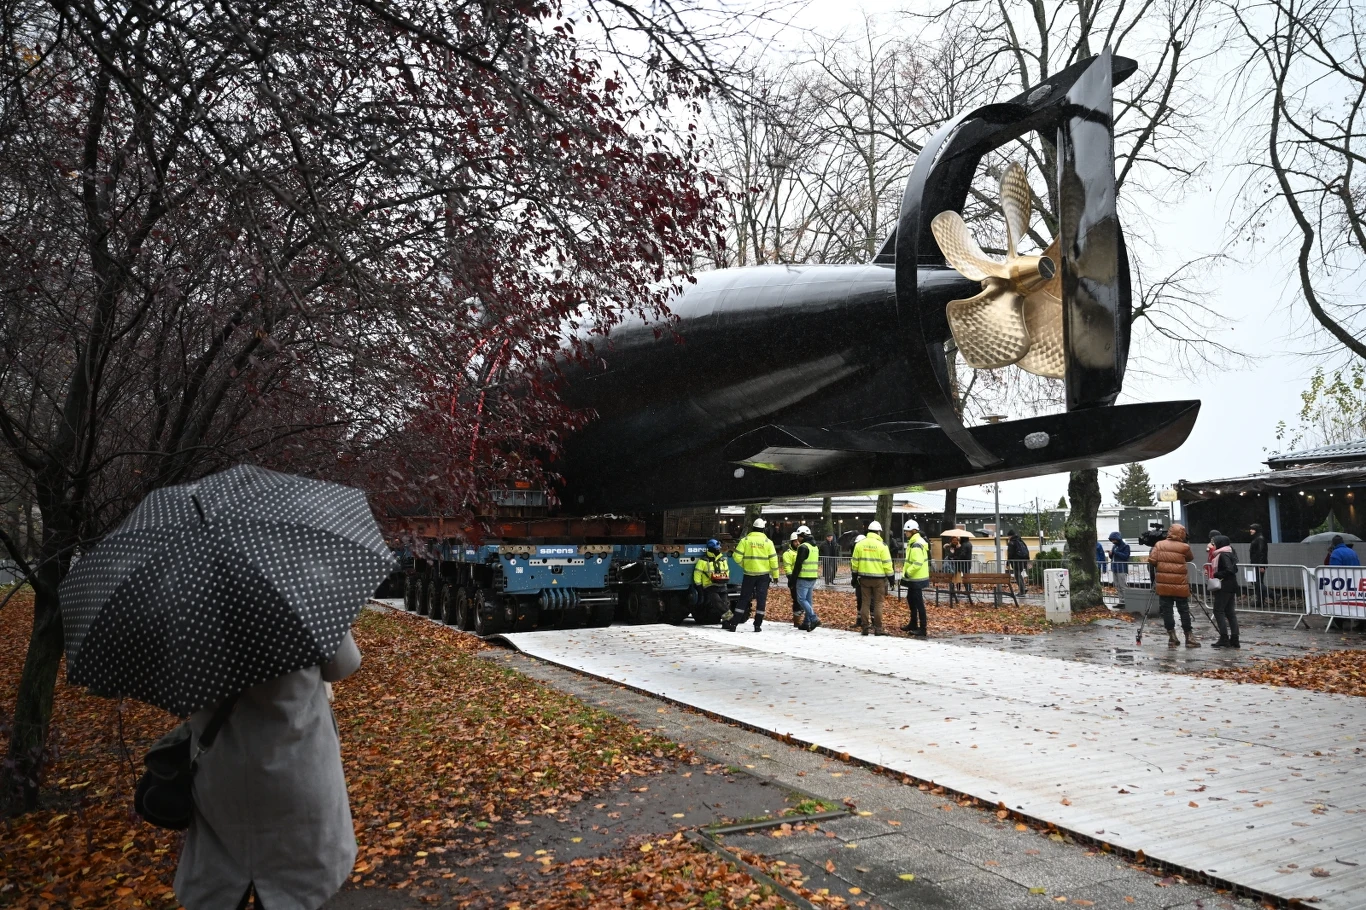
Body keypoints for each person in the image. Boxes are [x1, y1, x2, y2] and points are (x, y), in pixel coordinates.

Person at [177, 632, 362, 910]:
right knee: (298, 883)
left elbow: (181, 687)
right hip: (298, 769)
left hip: (222, 774)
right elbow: (344, 665)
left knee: (222, 876)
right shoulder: (306, 602)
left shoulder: (193, 618)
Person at [1149, 522, 1200, 648]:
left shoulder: (1159, 544)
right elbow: (1190, 558)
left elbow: (1152, 560)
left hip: (1164, 585)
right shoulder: (1184, 547)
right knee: (1184, 611)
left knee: (1167, 611)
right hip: (1180, 585)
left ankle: (1172, 638)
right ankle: (1189, 637)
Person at [726, 517, 778, 631]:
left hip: (749, 575)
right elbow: (773, 560)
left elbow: (736, 556)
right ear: (763, 530)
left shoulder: (745, 540)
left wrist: (745, 565)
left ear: (753, 528)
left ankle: (734, 624)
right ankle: (757, 625)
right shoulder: (768, 543)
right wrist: (775, 575)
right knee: (761, 599)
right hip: (763, 576)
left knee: (744, 598)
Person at [851, 521, 893, 635]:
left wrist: (854, 577)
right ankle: (878, 629)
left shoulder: (860, 544)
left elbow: (854, 563)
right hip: (879, 579)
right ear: (878, 532)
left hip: (864, 578)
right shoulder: (882, 545)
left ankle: (865, 627)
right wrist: (891, 579)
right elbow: (887, 564)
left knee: (865, 602)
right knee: (878, 603)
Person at [1208, 534, 1240, 649]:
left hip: (1224, 586)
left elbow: (1229, 570)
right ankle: (1235, 639)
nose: (1214, 545)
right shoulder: (1230, 553)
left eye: (1215, 543)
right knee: (1230, 612)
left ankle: (1224, 638)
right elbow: (1235, 568)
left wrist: (1217, 574)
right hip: (1232, 585)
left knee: (1218, 611)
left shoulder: (1222, 555)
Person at [900, 520, 930, 636]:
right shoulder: (915, 542)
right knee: (911, 599)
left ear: (913, 531)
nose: (905, 533)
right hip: (915, 578)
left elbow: (917, 562)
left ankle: (922, 628)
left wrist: (908, 572)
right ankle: (913, 624)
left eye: (907, 531)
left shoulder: (916, 544)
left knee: (918, 603)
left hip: (916, 578)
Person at [692, 539, 730, 624]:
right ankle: (731, 618)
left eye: (718, 548)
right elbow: (697, 574)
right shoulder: (703, 561)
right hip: (710, 586)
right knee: (719, 604)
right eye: (716, 548)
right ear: (711, 549)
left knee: (724, 604)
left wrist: (724, 578)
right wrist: (699, 587)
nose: (718, 550)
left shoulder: (723, 560)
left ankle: (726, 623)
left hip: (722, 585)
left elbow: (727, 571)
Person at [792, 525, 821, 631]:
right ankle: (806, 622)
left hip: (803, 577)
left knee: (801, 599)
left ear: (802, 536)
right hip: (813, 576)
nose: (798, 538)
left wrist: (792, 579)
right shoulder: (814, 546)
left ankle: (814, 618)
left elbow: (798, 564)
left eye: (799, 536)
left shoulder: (803, 547)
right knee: (808, 600)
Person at [1248, 523, 1269, 609]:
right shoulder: (1258, 538)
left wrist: (1261, 565)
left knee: (1258, 582)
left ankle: (1272, 595)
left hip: (1258, 564)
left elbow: (1262, 553)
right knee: (1257, 582)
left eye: (1252, 529)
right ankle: (1260, 600)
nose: (1250, 530)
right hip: (1256, 563)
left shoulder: (1260, 539)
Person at [783, 531, 801, 626]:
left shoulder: (801, 551)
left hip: (802, 578)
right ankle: (797, 620)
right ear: (791, 542)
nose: (797, 543)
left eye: (798, 541)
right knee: (796, 600)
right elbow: (787, 567)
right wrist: (791, 578)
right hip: (794, 579)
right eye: (795, 541)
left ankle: (800, 617)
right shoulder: (788, 554)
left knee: (801, 599)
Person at [1006, 530, 1030, 595]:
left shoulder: (1012, 543)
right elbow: (1027, 550)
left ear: (1010, 536)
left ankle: (1022, 591)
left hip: (1016, 561)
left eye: (1008, 536)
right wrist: (1027, 560)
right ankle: (1023, 588)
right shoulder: (1020, 541)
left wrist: (1008, 563)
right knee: (1019, 575)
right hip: (1024, 560)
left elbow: (1010, 554)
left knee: (1017, 575)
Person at [851, 533, 866, 629]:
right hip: (859, 580)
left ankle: (866, 621)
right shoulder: (856, 551)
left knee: (867, 601)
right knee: (860, 601)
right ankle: (860, 620)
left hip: (863, 579)